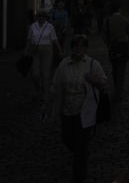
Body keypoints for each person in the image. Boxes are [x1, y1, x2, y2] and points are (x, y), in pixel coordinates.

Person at [49, 33, 107, 183]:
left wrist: (93, 80)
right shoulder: (64, 65)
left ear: (86, 48)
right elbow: (56, 86)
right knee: (67, 139)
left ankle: (79, 176)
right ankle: (81, 153)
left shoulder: (93, 64)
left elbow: (103, 83)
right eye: (75, 46)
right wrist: (51, 106)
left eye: (81, 46)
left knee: (80, 146)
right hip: (67, 111)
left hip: (85, 112)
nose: (78, 49)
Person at [25, 8, 62, 108]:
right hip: (35, 51)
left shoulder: (50, 27)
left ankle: (45, 97)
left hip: (47, 51)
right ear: (37, 17)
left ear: (46, 17)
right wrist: (26, 51)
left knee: (45, 74)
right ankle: (39, 89)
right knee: (35, 74)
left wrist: (59, 50)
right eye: (39, 16)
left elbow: (54, 39)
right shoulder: (33, 26)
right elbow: (28, 40)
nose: (41, 18)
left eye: (43, 16)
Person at [104, 0, 129, 102]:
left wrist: (108, 44)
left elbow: (104, 35)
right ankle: (119, 91)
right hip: (123, 47)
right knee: (121, 70)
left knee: (115, 68)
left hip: (113, 48)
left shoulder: (107, 21)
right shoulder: (124, 20)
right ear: (119, 9)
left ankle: (117, 87)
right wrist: (128, 41)